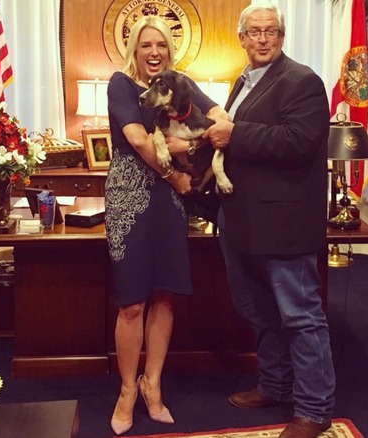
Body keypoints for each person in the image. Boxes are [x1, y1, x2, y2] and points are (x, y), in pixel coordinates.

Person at [201, 4, 334, 438]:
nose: (263, 39)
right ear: (241, 38)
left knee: (300, 317)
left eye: (271, 31)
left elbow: (300, 140)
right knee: (258, 312)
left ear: (281, 36)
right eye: (254, 32)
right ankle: (275, 386)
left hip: (284, 224)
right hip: (242, 221)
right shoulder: (242, 81)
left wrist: (235, 134)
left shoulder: (302, 80)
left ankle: (314, 410)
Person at [104, 14, 228, 436]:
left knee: (165, 294)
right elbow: (139, 140)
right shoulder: (121, 84)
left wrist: (210, 132)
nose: (154, 52)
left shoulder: (182, 83)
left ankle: (152, 384)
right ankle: (127, 390)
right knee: (131, 301)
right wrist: (176, 176)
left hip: (170, 204)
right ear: (134, 50)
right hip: (130, 195)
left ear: (169, 51)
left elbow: (220, 117)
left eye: (161, 45)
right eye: (146, 45)